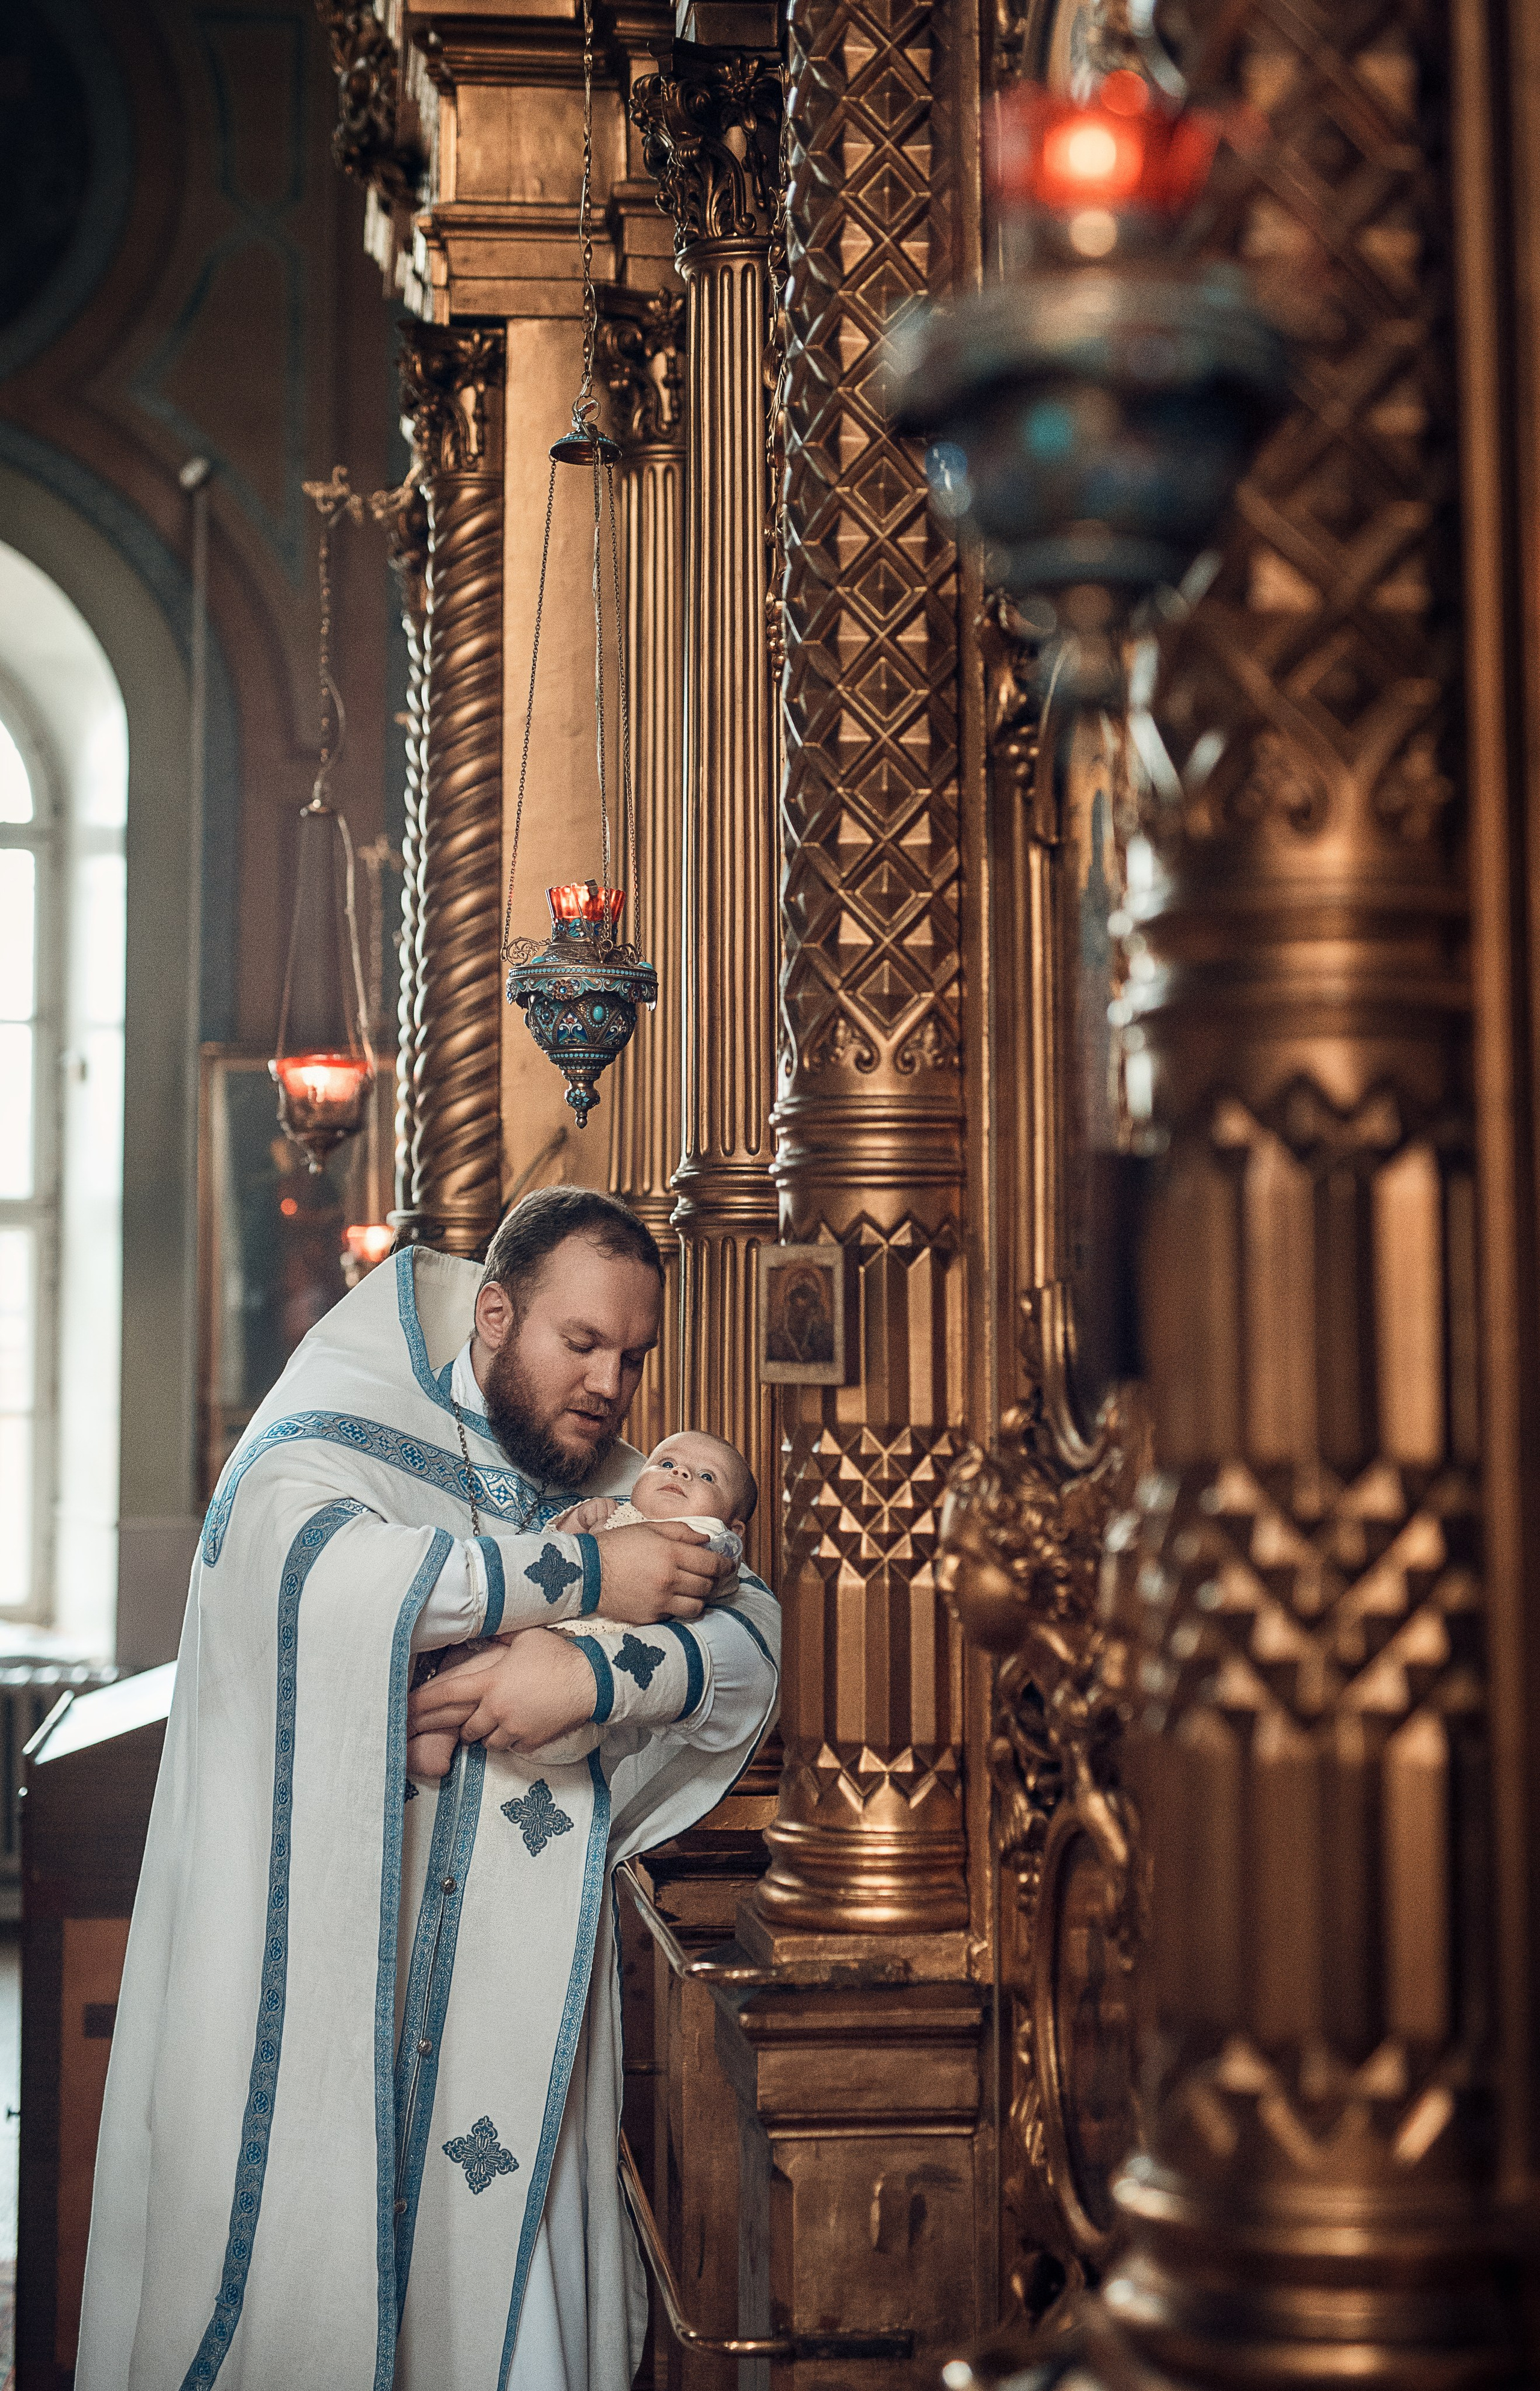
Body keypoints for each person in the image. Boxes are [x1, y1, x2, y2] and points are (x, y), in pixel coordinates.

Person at [78, 1188, 780, 2391]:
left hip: (510, 2034)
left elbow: (751, 1637)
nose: (611, 1386)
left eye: (631, 1355)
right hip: (314, 1995)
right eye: (580, 1344)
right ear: (496, 1312)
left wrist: (582, 1672)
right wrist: (577, 1571)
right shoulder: (332, 1425)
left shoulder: (623, 1479)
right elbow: (303, 1573)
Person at [404, 1427, 759, 1777]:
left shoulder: (706, 1539)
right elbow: (550, 1558)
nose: (680, 1473)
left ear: (734, 1527)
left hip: (569, 1695)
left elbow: (726, 1581)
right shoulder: (614, 1515)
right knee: (464, 1651)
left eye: (707, 1476)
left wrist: (719, 1552)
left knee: (491, 1668)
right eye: (666, 1464)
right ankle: (433, 1742)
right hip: (537, 1629)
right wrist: (575, 1526)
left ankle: (411, 1718)